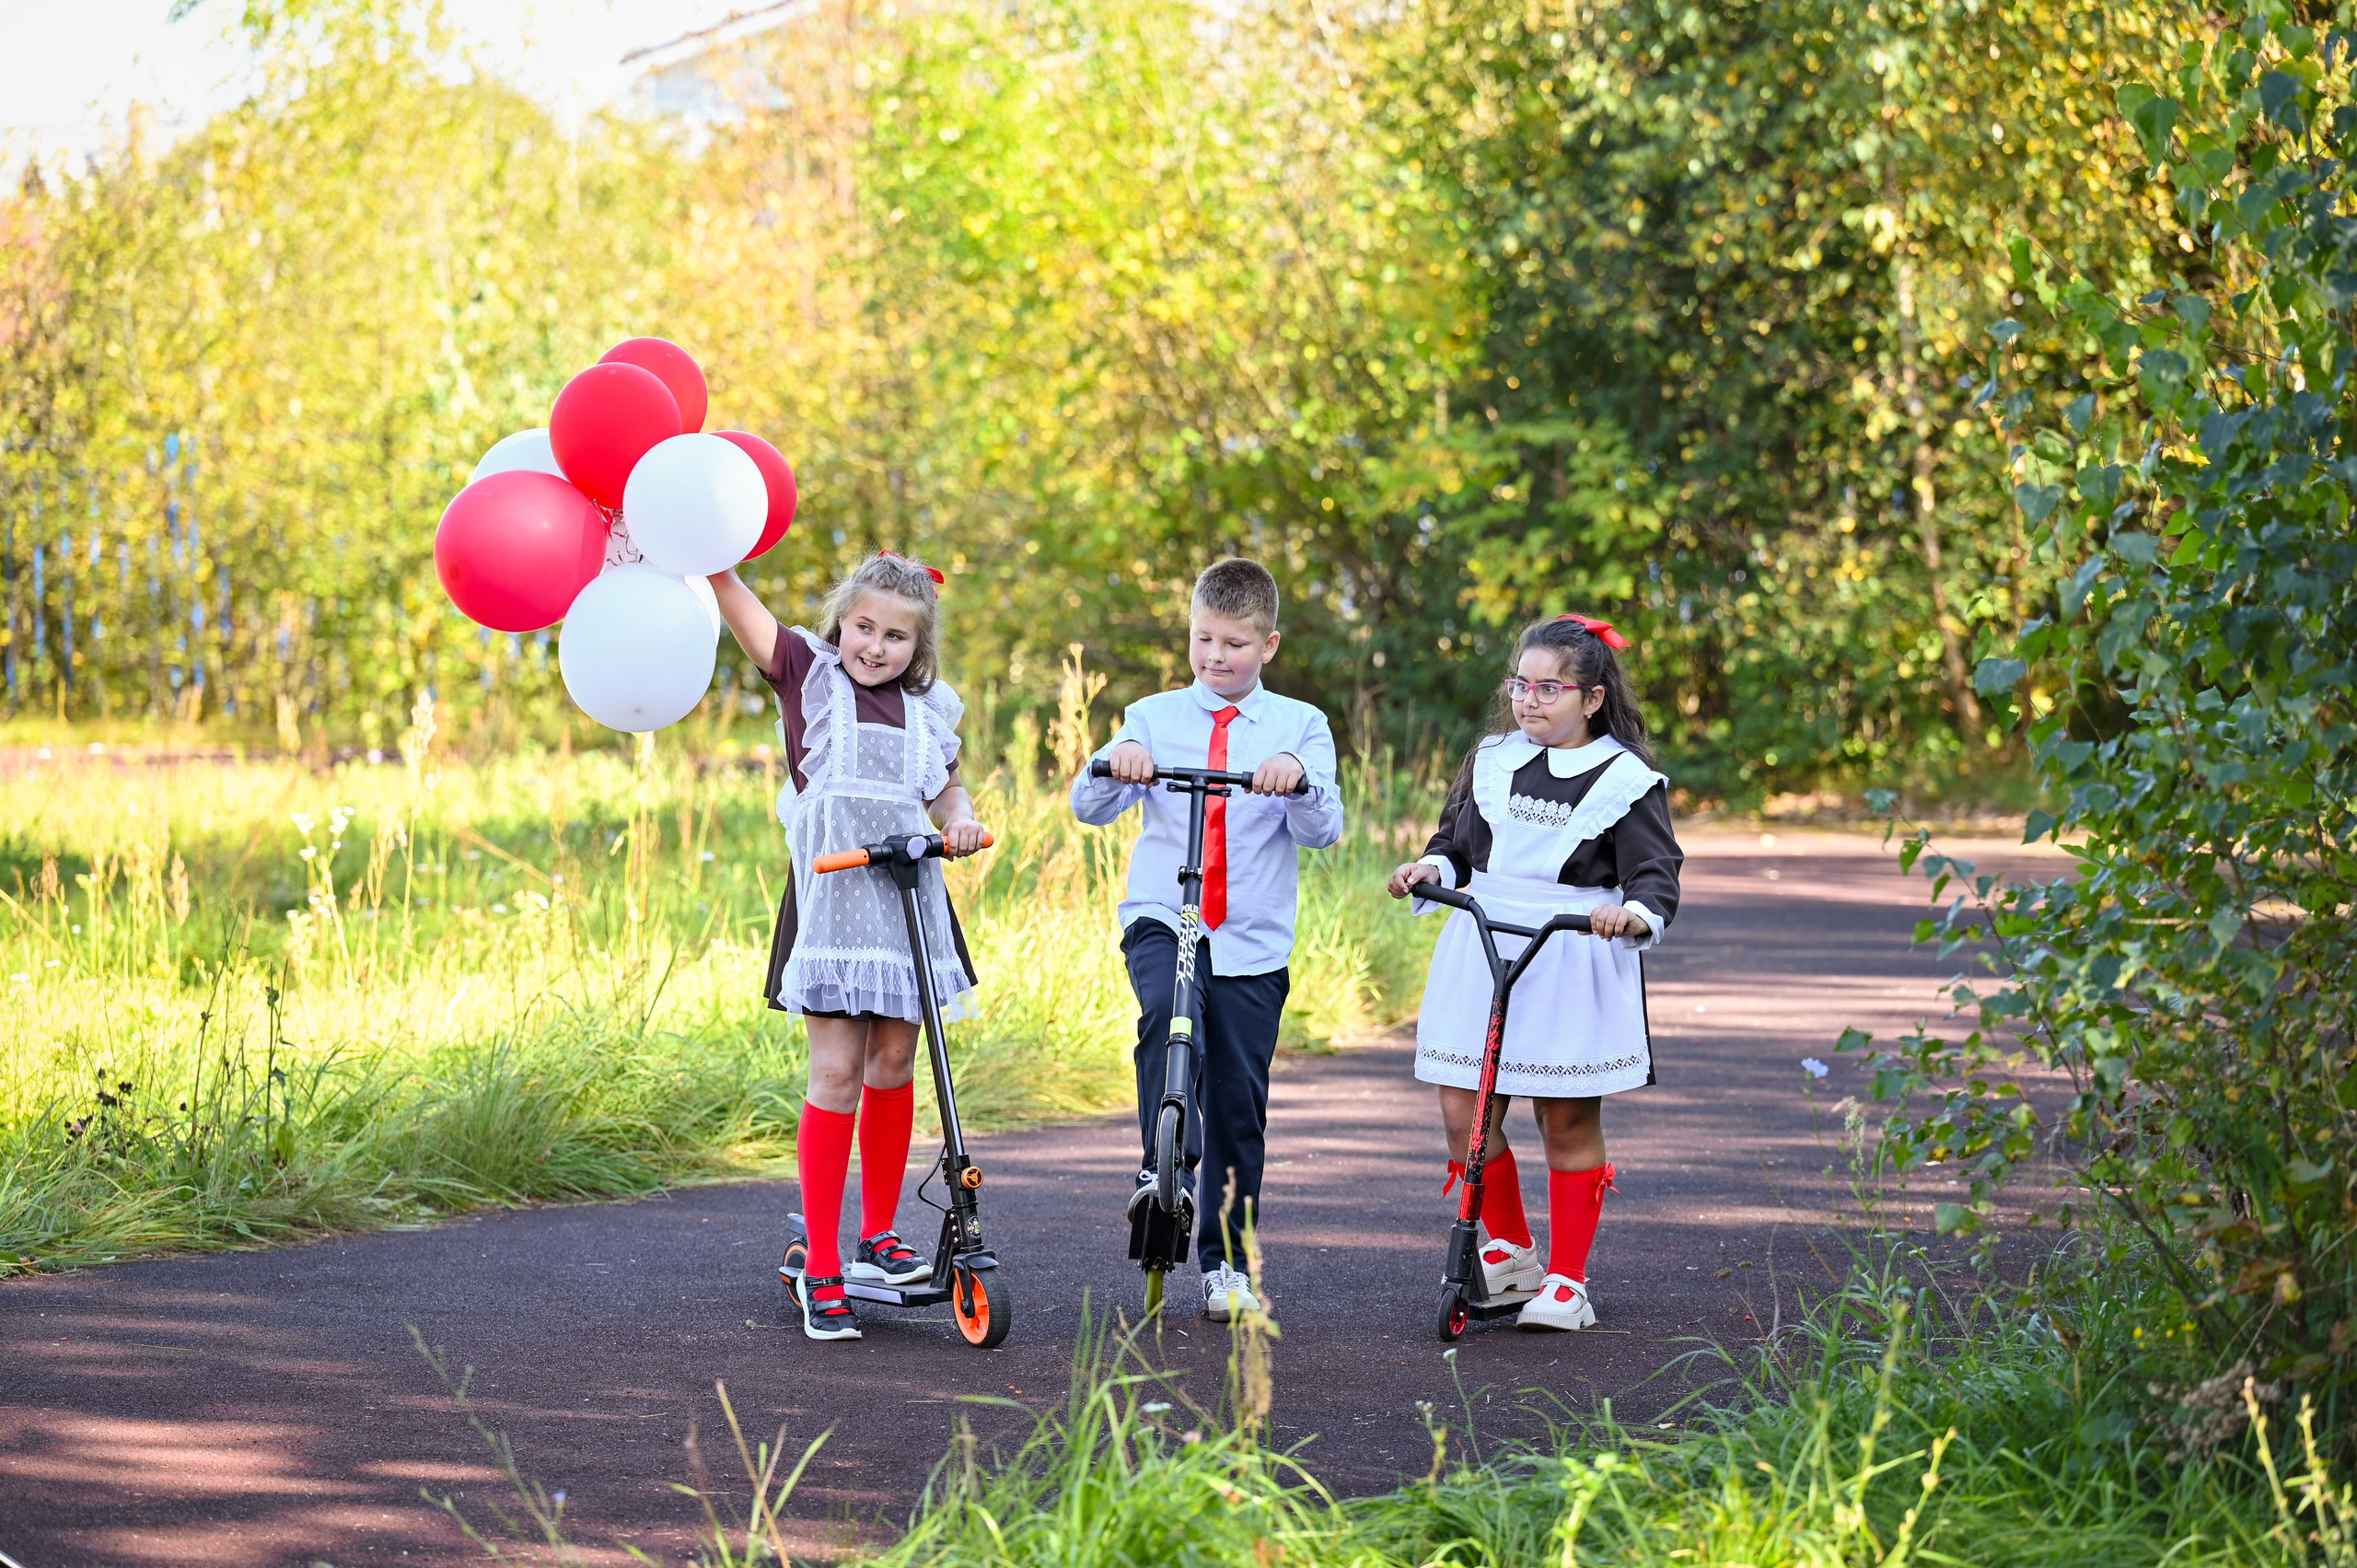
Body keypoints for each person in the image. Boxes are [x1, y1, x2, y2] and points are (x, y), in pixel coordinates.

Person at [708, 551, 990, 1342]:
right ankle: (823, 1263)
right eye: (865, 627)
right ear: (842, 623)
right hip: (834, 905)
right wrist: (711, 558)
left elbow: (948, 790)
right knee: (835, 1073)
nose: (876, 646)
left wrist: (959, 819)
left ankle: (878, 1234)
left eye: (897, 636)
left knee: (893, 1065)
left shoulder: (929, 710)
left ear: (917, 646)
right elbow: (739, 604)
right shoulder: (809, 673)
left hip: (904, 903)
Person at [1387, 614, 1682, 1331]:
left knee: (1564, 1113)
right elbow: (1457, 842)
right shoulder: (1492, 758)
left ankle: (1568, 1280)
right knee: (1466, 1108)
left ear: (1592, 697)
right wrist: (1431, 867)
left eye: (1550, 687)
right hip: (1482, 936)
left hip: (1569, 946)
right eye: (1521, 683)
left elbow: (1655, 870)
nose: (1529, 699)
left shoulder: (1625, 778)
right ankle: (1513, 1251)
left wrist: (1635, 912)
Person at [1071, 558, 1345, 1320]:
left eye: (1234, 644)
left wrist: (1296, 777)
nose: (1215, 657)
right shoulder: (1154, 714)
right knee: (1164, 1008)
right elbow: (1088, 804)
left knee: (1236, 1103)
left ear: (1269, 644)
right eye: (1202, 639)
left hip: (1252, 937)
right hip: (1167, 912)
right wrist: (1116, 766)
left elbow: (1327, 828)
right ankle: (1163, 1167)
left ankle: (1227, 1265)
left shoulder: (1301, 724)